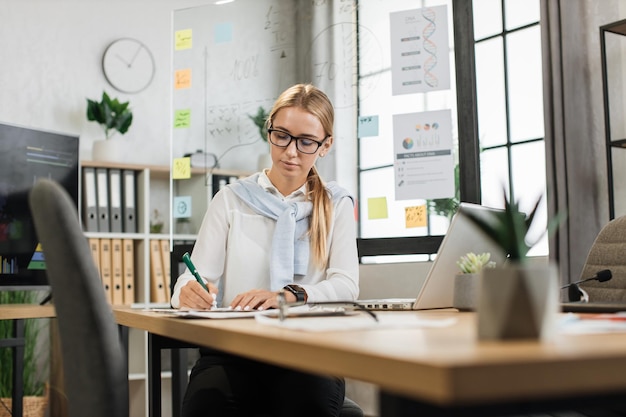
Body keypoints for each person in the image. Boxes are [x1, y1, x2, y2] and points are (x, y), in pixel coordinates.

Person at [171, 83, 359, 417]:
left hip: (311, 349)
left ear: (325, 145)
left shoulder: (336, 204)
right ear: (269, 130)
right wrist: (187, 292)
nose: (290, 151)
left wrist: (289, 295)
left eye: (306, 142)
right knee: (206, 405)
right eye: (282, 136)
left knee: (305, 405)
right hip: (234, 351)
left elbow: (346, 285)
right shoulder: (231, 199)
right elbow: (191, 280)